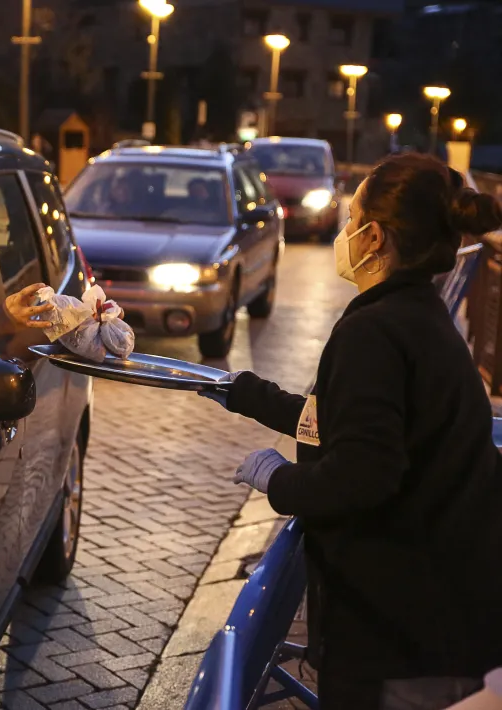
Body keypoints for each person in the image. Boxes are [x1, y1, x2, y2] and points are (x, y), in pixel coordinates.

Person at [202, 154, 502, 709]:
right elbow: (349, 423)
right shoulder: (421, 319)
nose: (344, 232)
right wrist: (246, 395)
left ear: (375, 238)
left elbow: (363, 471)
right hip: (439, 621)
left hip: (392, 634)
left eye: (350, 219)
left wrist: (280, 482)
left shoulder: (377, 333)